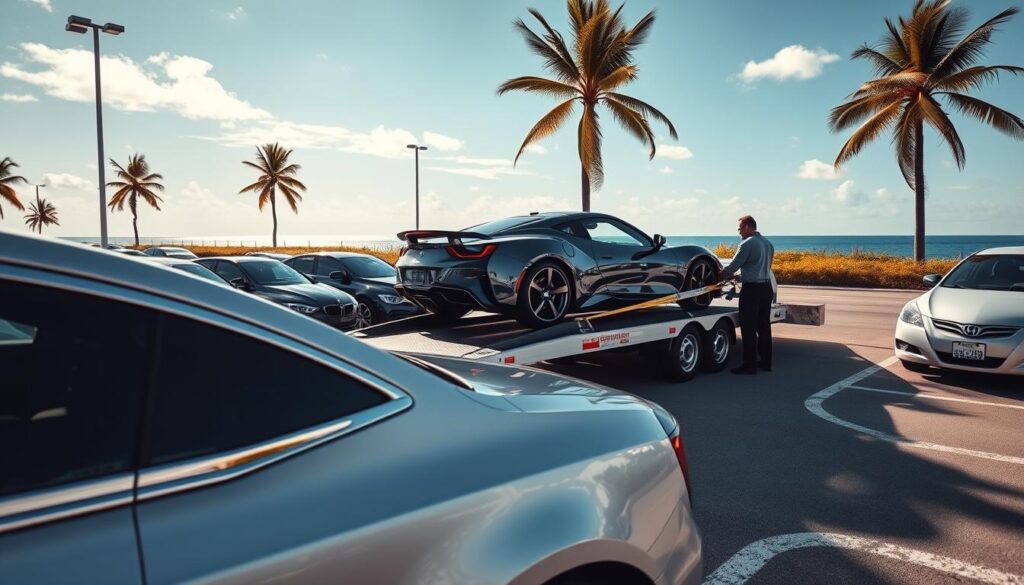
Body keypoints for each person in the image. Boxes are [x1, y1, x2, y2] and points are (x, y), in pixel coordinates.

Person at [720, 215, 774, 375]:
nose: (739, 232)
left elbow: (732, 266)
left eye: (740, 228)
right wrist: (742, 277)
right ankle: (765, 362)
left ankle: (749, 365)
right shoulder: (768, 244)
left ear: (748, 227)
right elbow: (760, 268)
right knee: (764, 326)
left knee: (748, 327)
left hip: (752, 290)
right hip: (766, 288)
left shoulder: (747, 244)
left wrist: (721, 274)